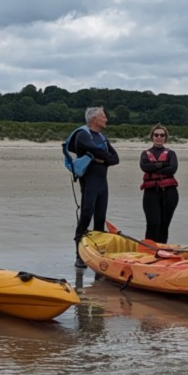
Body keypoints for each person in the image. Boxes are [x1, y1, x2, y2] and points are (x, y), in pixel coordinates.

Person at [67, 107, 119, 267]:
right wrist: (103, 157)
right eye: (103, 117)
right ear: (94, 119)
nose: (106, 119)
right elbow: (99, 152)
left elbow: (116, 158)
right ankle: (79, 255)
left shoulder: (102, 137)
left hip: (102, 184)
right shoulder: (83, 135)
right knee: (85, 216)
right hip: (89, 183)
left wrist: (102, 159)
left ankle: (97, 253)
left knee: (100, 220)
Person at [139, 125, 179, 243]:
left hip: (169, 193)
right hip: (151, 192)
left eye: (162, 135)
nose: (159, 137)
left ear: (165, 137)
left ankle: (162, 248)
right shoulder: (145, 153)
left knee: (164, 225)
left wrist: (154, 168)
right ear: (152, 137)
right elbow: (145, 167)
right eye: (156, 135)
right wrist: (162, 164)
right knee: (153, 224)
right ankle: (149, 249)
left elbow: (172, 169)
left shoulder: (171, 154)